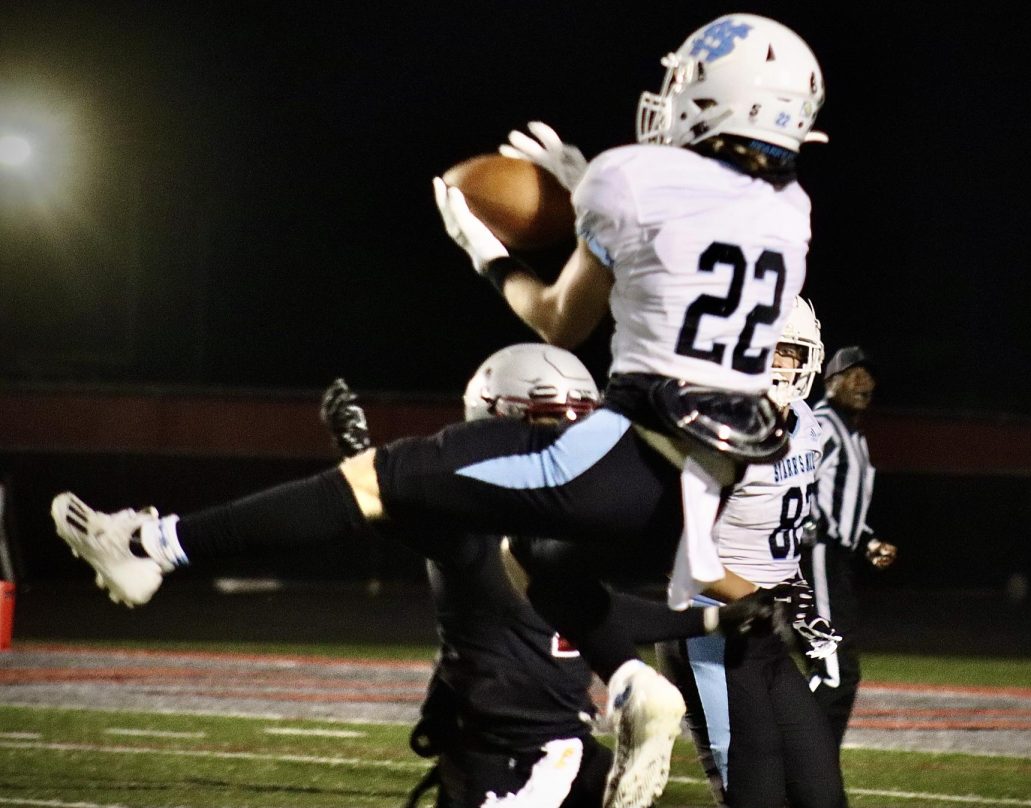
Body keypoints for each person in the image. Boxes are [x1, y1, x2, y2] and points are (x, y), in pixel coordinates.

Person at [51, 13, 828, 808]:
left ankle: (153, 545)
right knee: (536, 562)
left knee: (379, 478)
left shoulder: (627, 178)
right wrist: (590, 186)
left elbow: (561, 320)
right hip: (704, 479)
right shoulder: (790, 210)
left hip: (623, 451)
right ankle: (631, 682)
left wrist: (489, 253)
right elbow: (687, 239)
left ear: (710, 98)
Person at [322, 345, 761, 808]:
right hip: (495, 753)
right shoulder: (468, 516)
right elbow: (397, 505)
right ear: (493, 419)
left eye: (580, 422)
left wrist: (710, 621)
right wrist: (358, 455)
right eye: (551, 420)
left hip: (568, 742)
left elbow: (600, 615)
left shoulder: (567, 529)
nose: (568, 439)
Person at [657, 297, 845, 808]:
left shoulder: (806, 424)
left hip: (763, 629)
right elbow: (685, 558)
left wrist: (793, 592)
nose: (787, 364)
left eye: (794, 351)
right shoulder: (719, 431)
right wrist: (768, 598)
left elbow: (772, 541)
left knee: (820, 790)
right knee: (754, 794)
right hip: (710, 630)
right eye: (776, 350)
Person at [803, 346, 899, 761]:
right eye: (853, 374)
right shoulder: (820, 424)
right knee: (832, 671)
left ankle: (818, 767)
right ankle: (792, 751)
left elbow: (843, 508)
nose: (865, 383)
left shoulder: (854, 436)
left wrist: (869, 541)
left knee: (843, 671)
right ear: (831, 381)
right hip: (817, 556)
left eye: (869, 376)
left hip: (836, 559)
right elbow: (795, 481)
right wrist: (808, 529)